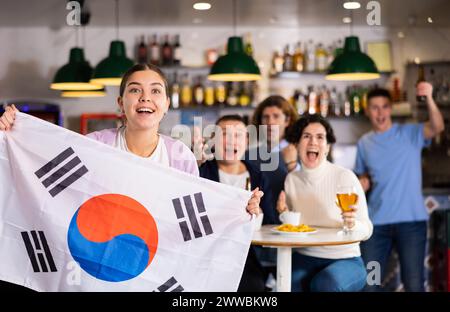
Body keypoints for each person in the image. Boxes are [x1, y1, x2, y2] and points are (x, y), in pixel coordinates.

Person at [0, 63, 262, 217]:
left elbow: (196, 217)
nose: (145, 98)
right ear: (121, 103)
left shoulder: (180, 156)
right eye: (135, 90)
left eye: (155, 91)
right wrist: (15, 132)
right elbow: (45, 175)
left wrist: (239, 209)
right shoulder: (96, 144)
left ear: (166, 105)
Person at [354, 83, 445, 292]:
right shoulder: (364, 143)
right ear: (367, 111)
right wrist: (363, 181)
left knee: (413, 285)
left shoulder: (410, 133)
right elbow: (361, 176)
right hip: (376, 226)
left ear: (390, 109)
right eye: (374, 107)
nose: (380, 112)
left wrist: (430, 97)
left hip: (411, 224)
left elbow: (438, 126)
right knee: (369, 283)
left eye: (384, 106)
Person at [277, 114, 373, 292]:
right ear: (296, 145)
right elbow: (297, 226)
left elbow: (367, 228)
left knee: (325, 284)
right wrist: (285, 214)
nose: (313, 142)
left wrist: (352, 224)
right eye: (306, 136)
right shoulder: (291, 179)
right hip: (305, 256)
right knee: (285, 284)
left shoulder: (345, 177)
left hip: (345, 258)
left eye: (320, 137)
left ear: (327, 147)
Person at [199, 114, 271, 292]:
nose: (231, 140)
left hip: (246, 256)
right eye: (224, 134)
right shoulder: (199, 172)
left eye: (238, 135)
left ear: (246, 142)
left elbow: (270, 223)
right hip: (206, 255)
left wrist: (258, 213)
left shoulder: (258, 177)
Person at [247, 95, 299, 224]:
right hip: (261, 227)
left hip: (296, 227)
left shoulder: (302, 150)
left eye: (276, 116)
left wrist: (292, 165)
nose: (270, 122)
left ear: (287, 121)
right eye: (266, 117)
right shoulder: (250, 156)